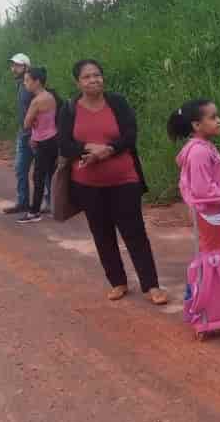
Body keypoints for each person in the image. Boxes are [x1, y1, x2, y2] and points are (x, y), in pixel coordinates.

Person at [57, 59, 168, 305]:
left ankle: (151, 285)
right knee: (102, 233)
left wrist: (107, 150)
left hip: (124, 180)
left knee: (135, 232)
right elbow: (64, 144)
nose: (94, 80)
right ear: (78, 82)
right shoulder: (69, 109)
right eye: (87, 77)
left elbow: (130, 135)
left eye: (97, 75)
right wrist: (88, 148)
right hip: (87, 184)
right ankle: (117, 282)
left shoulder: (117, 102)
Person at [170, 99, 220, 337]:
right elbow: (203, 190)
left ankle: (219, 310)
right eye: (212, 117)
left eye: (217, 116)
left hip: (213, 214)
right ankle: (213, 311)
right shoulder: (199, 152)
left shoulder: (203, 147)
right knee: (214, 262)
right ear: (196, 124)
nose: (219, 120)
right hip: (209, 215)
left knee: (215, 260)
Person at [3, 53, 49, 215]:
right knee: (20, 168)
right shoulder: (21, 85)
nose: (13, 68)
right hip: (24, 133)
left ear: (26, 67)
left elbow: (44, 107)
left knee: (43, 169)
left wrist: (37, 132)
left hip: (36, 134)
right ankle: (23, 202)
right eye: (13, 65)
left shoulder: (33, 86)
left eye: (17, 65)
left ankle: (49, 203)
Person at [18, 66, 60, 224]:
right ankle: (56, 207)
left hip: (43, 142)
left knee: (38, 177)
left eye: (27, 81)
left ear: (37, 82)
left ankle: (34, 212)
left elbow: (27, 123)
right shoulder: (50, 96)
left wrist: (32, 121)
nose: (25, 84)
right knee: (52, 175)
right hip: (53, 138)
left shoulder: (36, 101)